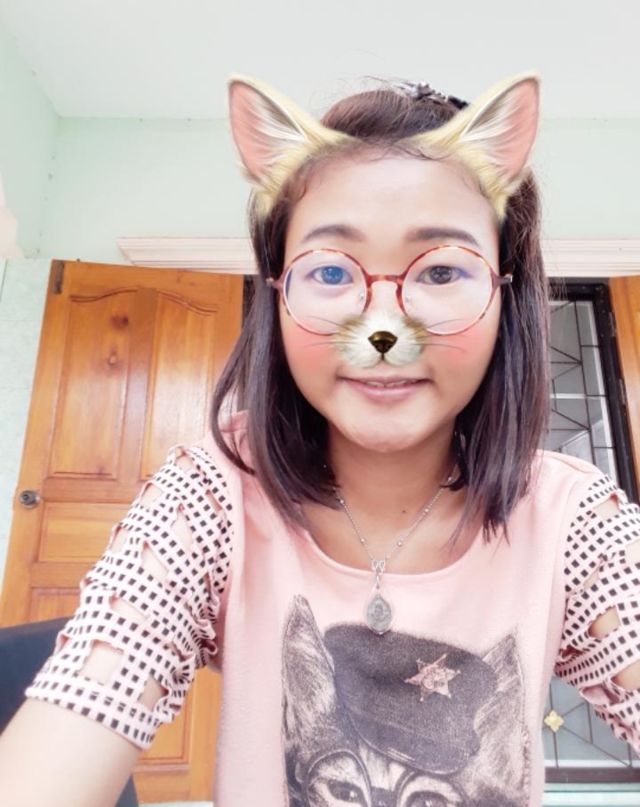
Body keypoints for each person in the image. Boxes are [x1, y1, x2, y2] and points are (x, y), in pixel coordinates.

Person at [0, 70, 638, 807]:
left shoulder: (572, 520)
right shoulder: (209, 498)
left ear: (504, 291)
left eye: (440, 270)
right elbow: (82, 707)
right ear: (277, 291)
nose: (384, 326)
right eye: (331, 269)